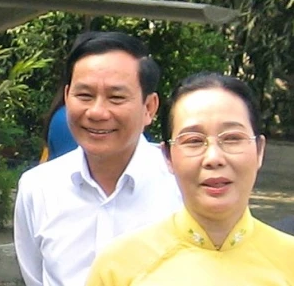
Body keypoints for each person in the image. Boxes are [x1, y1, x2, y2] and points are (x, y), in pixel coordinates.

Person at [86, 73, 294, 285]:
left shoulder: (288, 261)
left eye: (232, 138)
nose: (214, 158)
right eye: (194, 141)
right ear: (167, 156)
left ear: (259, 151)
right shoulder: (119, 266)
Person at [13, 31, 182, 286]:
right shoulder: (38, 188)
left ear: (149, 108)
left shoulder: (182, 185)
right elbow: (34, 277)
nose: (97, 112)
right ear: (67, 96)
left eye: (116, 97)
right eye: (85, 95)